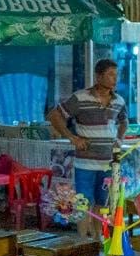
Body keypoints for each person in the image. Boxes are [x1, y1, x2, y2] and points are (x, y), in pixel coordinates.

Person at [47, 58, 127, 235]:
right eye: (111, 75)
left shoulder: (119, 101)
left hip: (107, 163)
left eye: (117, 75)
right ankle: (83, 242)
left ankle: (96, 240)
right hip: (85, 163)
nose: (115, 79)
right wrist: (72, 138)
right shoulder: (80, 98)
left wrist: (119, 139)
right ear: (98, 76)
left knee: (101, 203)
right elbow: (54, 115)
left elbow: (124, 121)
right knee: (83, 203)